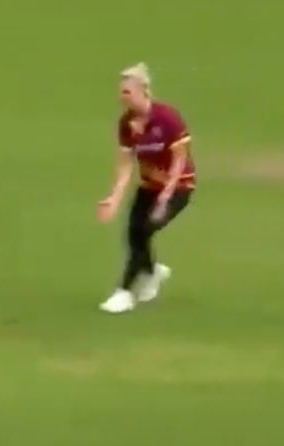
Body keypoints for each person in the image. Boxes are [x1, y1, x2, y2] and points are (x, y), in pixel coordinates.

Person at [96, 63, 196, 313]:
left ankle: (125, 292)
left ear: (144, 91)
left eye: (127, 92)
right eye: (121, 92)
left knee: (145, 229)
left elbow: (180, 159)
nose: (122, 97)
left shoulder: (167, 118)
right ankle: (152, 271)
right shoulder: (126, 124)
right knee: (133, 233)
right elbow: (125, 165)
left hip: (178, 187)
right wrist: (114, 198)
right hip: (148, 186)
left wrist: (166, 195)